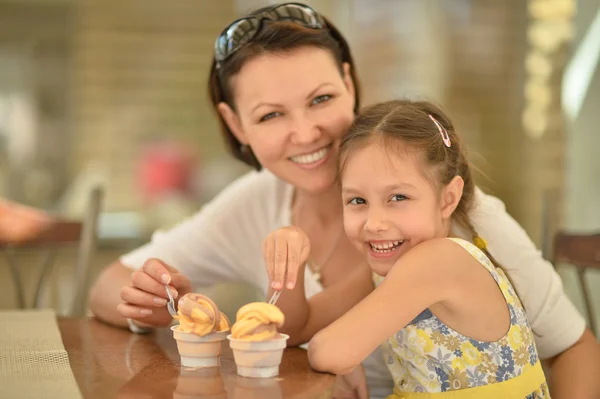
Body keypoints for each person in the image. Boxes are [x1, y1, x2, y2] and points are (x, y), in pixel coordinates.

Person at [87, 3, 600, 399]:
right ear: (234, 124)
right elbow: (301, 327)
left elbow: (574, 348)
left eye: (321, 99)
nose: (305, 132)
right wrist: (152, 302)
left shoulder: (459, 223)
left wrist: (337, 347)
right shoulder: (265, 206)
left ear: (350, 84)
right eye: (271, 115)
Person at [302, 99, 549, 398]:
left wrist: (346, 359)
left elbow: (328, 352)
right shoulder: (391, 270)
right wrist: (289, 262)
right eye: (357, 201)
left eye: (398, 198)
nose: (374, 222)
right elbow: (298, 325)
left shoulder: (440, 261)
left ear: (447, 199)